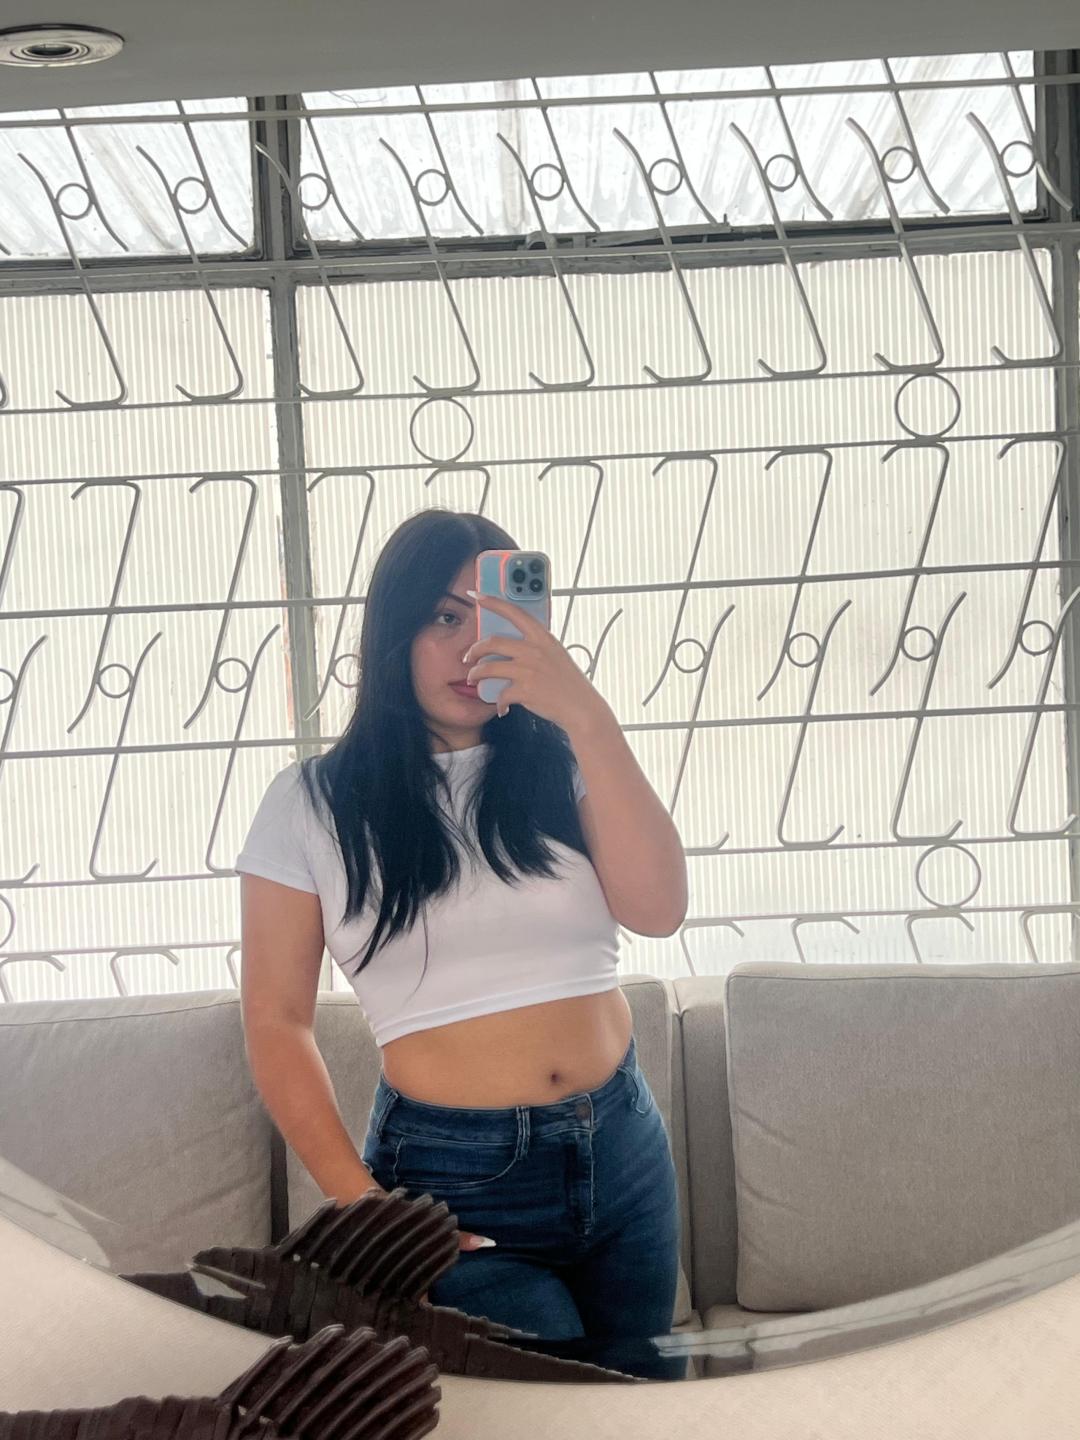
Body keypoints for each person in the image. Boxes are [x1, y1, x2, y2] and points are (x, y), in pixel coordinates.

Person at [236, 508, 688, 1359]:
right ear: (393, 633)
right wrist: (362, 1205)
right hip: (454, 1180)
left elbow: (659, 909)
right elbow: (275, 1020)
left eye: (493, 616)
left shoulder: (561, 762)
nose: (472, 645)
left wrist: (587, 717)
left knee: (641, 1405)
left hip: (624, 1149)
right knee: (548, 1406)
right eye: (444, 618)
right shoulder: (310, 805)